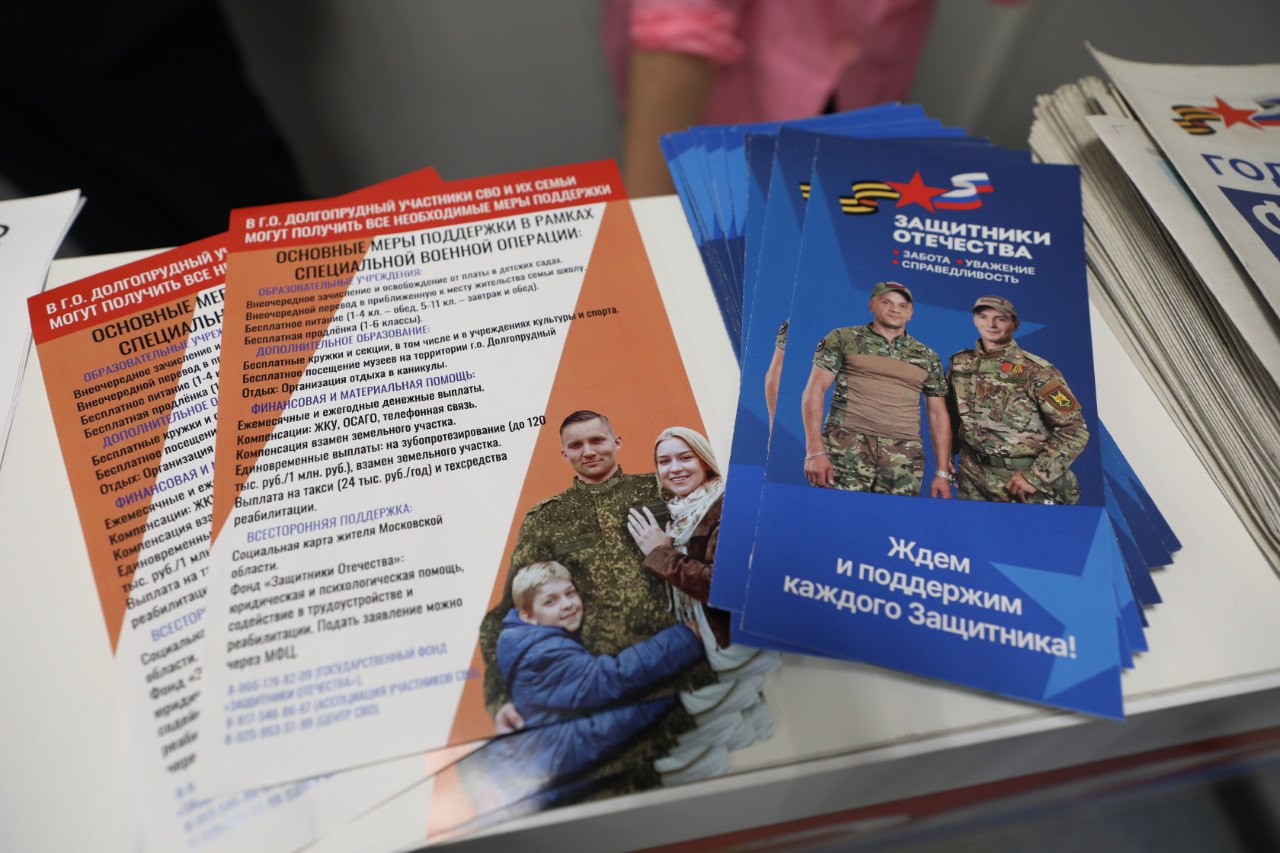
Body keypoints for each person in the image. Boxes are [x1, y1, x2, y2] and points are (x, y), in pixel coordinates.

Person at [475, 410, 714, 792]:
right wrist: (500, 697)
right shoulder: (545, 520)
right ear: (564, 454)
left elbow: (716, 546)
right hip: (604, 698)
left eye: (597, 440)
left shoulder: (661, 489)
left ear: (616, 442)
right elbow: (507, 612)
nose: (588, 451)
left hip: (689, 671)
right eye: (576, 445)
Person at [470, 561, 703, 811]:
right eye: (550, 601)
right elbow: (608, 679)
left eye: (570, 593)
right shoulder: (542, 653)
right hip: (543, 774)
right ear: (528, 616)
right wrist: (682, 641)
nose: (567, 604)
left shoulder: (532, 641)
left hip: (551, 768)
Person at [626, 426, 778, 783]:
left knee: (744, 737)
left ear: (705, 461)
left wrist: (661, 553)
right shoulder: (679, 514)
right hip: (709, 641)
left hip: (738, 643)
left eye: (685, 457)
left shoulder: (726, 505)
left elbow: (725, 585)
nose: (674, 468)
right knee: (748, 746)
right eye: (664, 461)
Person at [800, 281, 953, 497]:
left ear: (911, 313)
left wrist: (942, 472)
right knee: (836, 513)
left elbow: (938, 414)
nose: (895, 309)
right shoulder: (843, 338)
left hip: (904, 456)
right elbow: (815, 390)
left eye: (902, 305)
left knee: (893, 517)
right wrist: (814, 451)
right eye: (887, 302)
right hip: (845, 447)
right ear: (872, 304)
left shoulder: (927, 356)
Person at [947, 296, 1090, 504]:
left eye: (1000, 319)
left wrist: (1035, 475)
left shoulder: (1037, 371)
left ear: (1015, 324)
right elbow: (950, 417)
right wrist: (945, 457)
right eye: (983, 316)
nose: (991, 324)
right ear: (975, 320)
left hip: (1022, 482)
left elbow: (1075, 430)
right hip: (972, 479)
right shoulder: (960, 364)